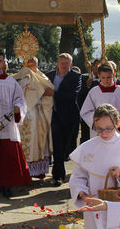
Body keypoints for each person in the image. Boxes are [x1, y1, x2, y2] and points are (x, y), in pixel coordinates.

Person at [69, 104, 120, 229]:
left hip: (118, 203)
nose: (103, 133)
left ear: (118, 123)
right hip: (93, 200)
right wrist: (81, 192)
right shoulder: (88, 147)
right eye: (99, 129)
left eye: (108, 128)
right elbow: (79, 176)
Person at [0, 51, 31, 198]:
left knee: (8, 155)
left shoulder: (11, 82)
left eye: (0, 61)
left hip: (8, 123)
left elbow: (20, 100)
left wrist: (17, 107)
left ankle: (7, 185)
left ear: (4, 62)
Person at [13, 57, 54, 179]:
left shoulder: (42, 77)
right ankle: (22, 171)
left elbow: (50, 92)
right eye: (28, 65)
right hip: (22, 115)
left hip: (38, 114)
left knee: (38, 143)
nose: (31, 68)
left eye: (33, 65)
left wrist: (41, 92)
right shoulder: (18, 78)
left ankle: (37, 171)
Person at [46, 53, 81, 186]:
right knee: (57, 146)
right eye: (62, 62)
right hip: (53, 115)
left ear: (71, 65)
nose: (64, 65)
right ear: (57, 63)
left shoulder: (75, 77)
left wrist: (54, 94)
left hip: (69, 116)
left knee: (66, 147)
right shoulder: (49, 75)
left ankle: (64, 171)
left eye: (66, 63)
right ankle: (58, 175)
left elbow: (72, 95)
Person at [80, 61, 120, 139]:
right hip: (99, 130)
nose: (106, 80)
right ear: (99, 76)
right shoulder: (94, 92)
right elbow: (85, 112)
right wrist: (98, 122)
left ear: (113, 75)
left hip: (116, 128)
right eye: (103, 77)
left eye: (109, 77)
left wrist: (116, 119)